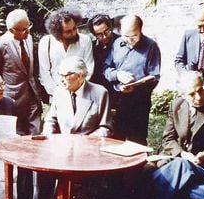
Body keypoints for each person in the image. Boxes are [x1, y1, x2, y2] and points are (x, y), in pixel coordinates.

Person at [16, 57, 113, 199]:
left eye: (65, 75)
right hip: (61, 148)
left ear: (81, 76)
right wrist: (48, 137)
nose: (60, 79)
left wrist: (83, 143)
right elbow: (51, 120)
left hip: (87, 152)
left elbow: (105, 128)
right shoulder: (60, 91)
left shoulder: (100, 93)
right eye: (59, 74)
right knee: (40, 163)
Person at [0, 9, 41, 199]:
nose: (27, 33)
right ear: (11, 30)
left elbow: (30, 73)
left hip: (32, 101)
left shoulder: (28, 39)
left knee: (37, 146)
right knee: (17, 152)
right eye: (22, 30)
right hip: (11, 105)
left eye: (28, 28)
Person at [103, 15, 161, 145]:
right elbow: (106, 68)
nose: (130, 40)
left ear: (140, 30)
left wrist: (136, 87)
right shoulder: (117, 43)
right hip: (117, 99)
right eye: (126, 36)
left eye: (134, 36)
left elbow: (154, 76)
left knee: (137, 140)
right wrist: (117, 75)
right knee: (115, 139)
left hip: (139, 101)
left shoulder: (151, 46)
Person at [38, 8, 94, 98]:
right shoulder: (46, 42)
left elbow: (89, 68)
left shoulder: (85, 41)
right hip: (56, 95)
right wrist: (58, 93)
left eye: (74, 28)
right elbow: (45, 73)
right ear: (58, 33)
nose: (73, 33)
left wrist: (76, 90)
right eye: (68, 31)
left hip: (81, 94)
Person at [87, 14, 120, 87]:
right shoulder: (90, 46)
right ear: (94, 35)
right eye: (99, 35)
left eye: (106, 31)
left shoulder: (121, 42)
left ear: (111, 28)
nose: (104, 37)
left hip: (118, 87)